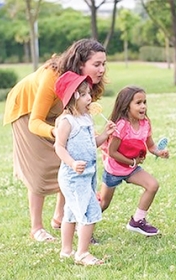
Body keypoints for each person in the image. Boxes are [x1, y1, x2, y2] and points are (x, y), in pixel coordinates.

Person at [3, 39, 107, 242]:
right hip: (27, 110)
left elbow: (82, 114)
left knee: (70, 160)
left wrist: (94, 136)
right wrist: (58, 133)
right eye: (97, 64)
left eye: (104, 64)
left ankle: (60, 217)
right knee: (40, 169)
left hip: (60, 113)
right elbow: (35, 122)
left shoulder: (87, 83)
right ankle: (36, 228)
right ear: (79, 64)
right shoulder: (53, 76)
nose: (102, 69)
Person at [54, 71, 115, 265]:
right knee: (90, 211)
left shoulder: (86, 119)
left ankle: (66, 250)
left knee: (71, 212)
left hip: (87, 175)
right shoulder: (67, 121)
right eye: (85, 94)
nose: (90, 98)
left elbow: (91, 144)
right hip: (72, 176)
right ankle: (82, 253)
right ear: (74, 96)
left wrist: (105, 134)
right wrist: (72, 162)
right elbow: (59, 147)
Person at [98, 86, 169, 236]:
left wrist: (159, 152)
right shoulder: (121, 126)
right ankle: (83, 224)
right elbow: (112, 152)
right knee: (103, 204)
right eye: (138, 103)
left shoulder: (145, 124)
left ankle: (137, 221)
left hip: (131, 168)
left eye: (144, 102)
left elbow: (150, 145)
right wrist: (132, 162)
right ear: (126, 105)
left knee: (152, 185)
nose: (143, 106)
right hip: (114, 169)